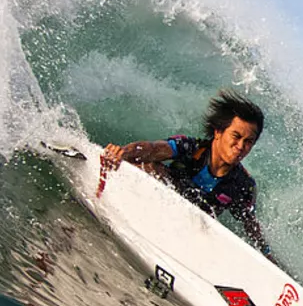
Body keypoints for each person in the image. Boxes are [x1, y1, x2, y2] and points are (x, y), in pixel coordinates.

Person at [101, 90, 273, 260]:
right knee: (151, 167)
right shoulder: (191, 148)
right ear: (218, 132)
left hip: (190, 235)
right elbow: (152, 149)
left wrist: (267, 256)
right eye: (236, 136)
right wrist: (122, 153)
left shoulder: (243, 184)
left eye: (248, 142)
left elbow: (250, 225)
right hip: (155, 205)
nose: (241, 146)